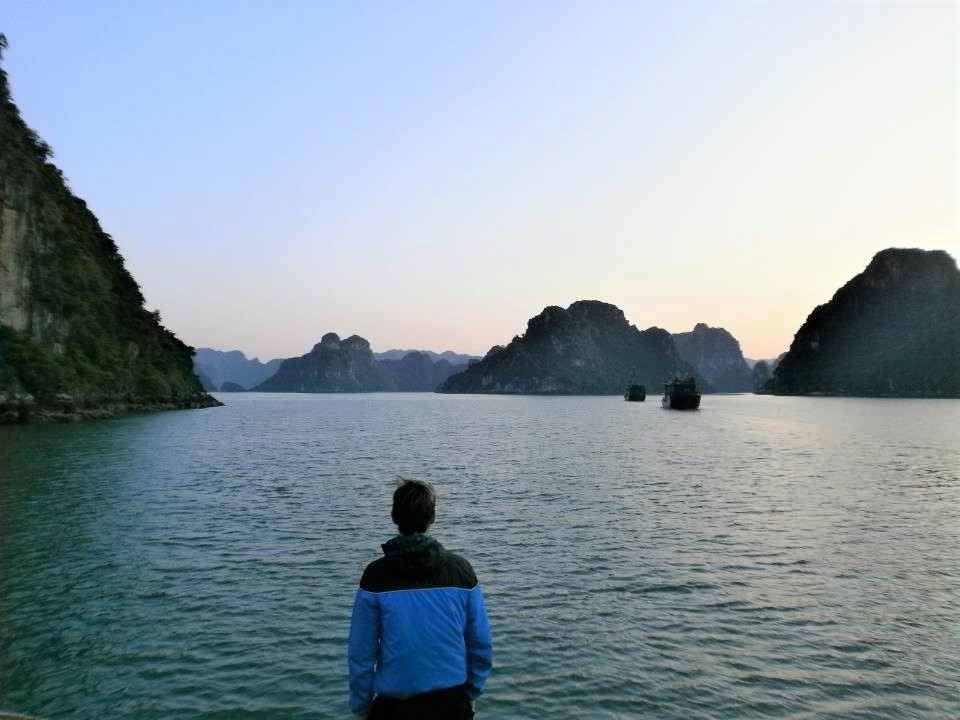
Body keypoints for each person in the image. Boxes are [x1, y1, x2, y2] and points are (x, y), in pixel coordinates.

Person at [348, 478, 493, 719]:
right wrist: (471, 693)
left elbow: (361, 653)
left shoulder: (376, 576)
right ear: (431, 518)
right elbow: (481, 645)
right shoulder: (461, 572)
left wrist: (362, 705)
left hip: (393, 707)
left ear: (394, 517)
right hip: (452, 702)